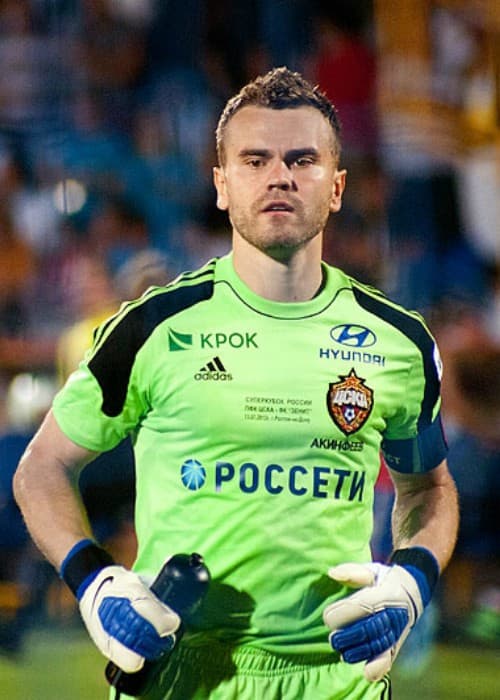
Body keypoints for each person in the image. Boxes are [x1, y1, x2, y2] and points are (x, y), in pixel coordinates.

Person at [13, 67, 459, 699]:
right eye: (255, 160)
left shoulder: (399, 341)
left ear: (336, 188)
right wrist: (96, 584)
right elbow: (42, 468)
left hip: (337, 679)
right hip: (177, 676)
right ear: (222, 185)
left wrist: (412, 580)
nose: (279, 176)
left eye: (302, 159)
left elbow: (429, 487)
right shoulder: (153, 327)